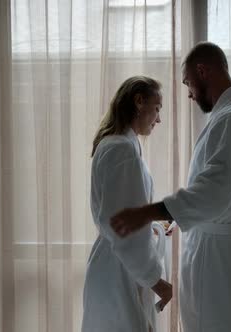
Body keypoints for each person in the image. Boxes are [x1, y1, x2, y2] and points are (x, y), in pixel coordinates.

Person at [110, 42, 231, 332]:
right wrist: (182, 214)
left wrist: (148, 213)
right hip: (220, 246)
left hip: (218, 257)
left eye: (188, 83)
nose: (189, 93)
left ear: (202, 71)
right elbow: (224, 190)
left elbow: (215, 191)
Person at [82, 76, 172, 332]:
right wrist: (158, 283)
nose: (159, 118)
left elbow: (121, 217)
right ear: (139, 101)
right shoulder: (122, 150)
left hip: (116, 266)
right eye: (157, 108)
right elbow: (124, 229)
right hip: (118, 272)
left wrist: (152, 224)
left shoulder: (116, 146)